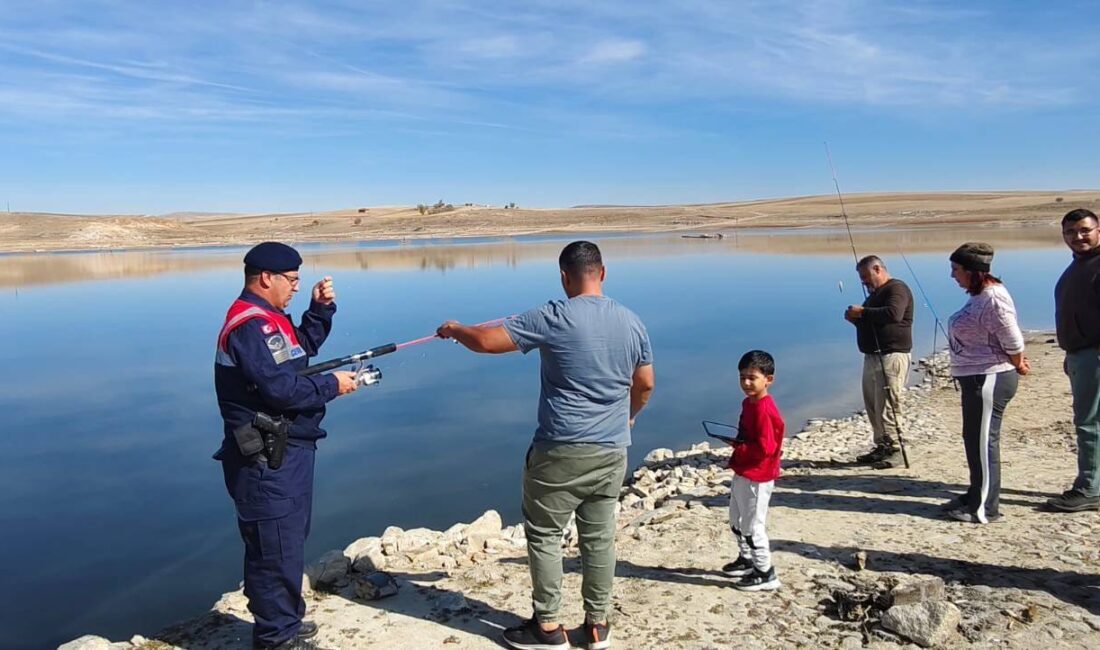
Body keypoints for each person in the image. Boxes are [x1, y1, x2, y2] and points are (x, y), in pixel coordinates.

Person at [437, 240, 655, 650]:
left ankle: (549, 628)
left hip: (561, 449)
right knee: (599, 537)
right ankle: (597, 625)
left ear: (563, 276)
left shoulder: (554, 315)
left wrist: (455, 329)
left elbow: (485, 342)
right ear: (603, 273)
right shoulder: (632, 321)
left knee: (544, 534)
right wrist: (629, 415)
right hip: (612, 451)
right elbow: (645, 384)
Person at [214, 242, 359, 650]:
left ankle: (285, 621)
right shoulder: (248, 326)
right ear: (266, 278)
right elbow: (281, 390)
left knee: (288, 539)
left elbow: (299, 353)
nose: (296, 287)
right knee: (272, 546)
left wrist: (319, 310)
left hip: (288, 453)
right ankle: (277, 638)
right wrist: (334, 385)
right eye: (292, 281)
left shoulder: (269, 319)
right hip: (263, 461)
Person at [943, 242, 1029, 524]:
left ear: (972, 271)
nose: (953, 276)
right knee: (973, 439)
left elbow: (1013, 339)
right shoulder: (979, 295)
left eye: (956, 270)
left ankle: (985, 509)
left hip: (990, 378)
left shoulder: (993, 298)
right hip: (976, 378)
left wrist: (1018, 362)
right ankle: (975, 493)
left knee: (984, 443)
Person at [1048, 208, 1100, 512]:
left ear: (1098, 230)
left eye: (1084, 230)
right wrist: (1070, 351)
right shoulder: (1079, 265)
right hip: (1080, 354)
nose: (1077, 237)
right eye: (1070, 232)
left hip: (1094, 354)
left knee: (1089, 423)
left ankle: (1089, 487)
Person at [721, 350, 785, 592]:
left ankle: (765, 572)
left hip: (758, 475)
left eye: (752, 378)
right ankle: (746, 559)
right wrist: (737, 442)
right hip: (743, 470)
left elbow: (766, 449)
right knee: (736, 519)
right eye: (742, 377)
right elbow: (745, 434)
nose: (746, 383)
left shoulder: (765, 409)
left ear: (768, 379)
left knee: (753, 526)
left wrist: (741, 447)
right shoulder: (749, 403)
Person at [843, 255, 914, 468]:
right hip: (873, 356)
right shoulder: (874, 295)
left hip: (892, 355)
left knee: (888, 405)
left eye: (865, 276)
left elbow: (894, 314)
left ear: (877, 269)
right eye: (861, 278)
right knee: (873, 405)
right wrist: (856, 320)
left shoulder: (897, 289)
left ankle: (897, 450)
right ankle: (882, 445)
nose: (864, 281)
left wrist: (863, 312)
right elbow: (872, 323)